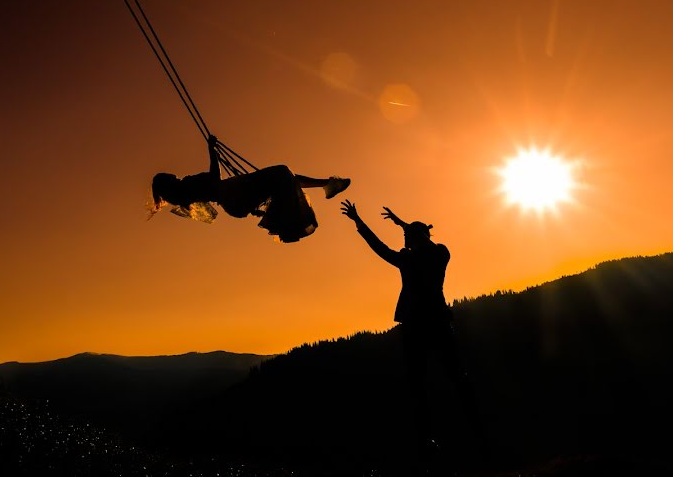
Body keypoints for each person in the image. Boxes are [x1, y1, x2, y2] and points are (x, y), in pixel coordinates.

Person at [340, 199, 480, 457]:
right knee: (457, 375)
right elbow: (423, 238)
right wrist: (402, 223)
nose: (403, 238)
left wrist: (359, 221)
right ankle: (478, 429)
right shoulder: (441, 253)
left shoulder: (407, 260)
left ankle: (427, 442)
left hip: (415, 325)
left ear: (413, 238)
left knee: (418, 384)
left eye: (406, 235)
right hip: (438, 320)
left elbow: (379, 248)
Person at [150, 135, 350, 242]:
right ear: (166, 182)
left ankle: (327, 184)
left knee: (285, 178)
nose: (172, 174)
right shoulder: (186, 187)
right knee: (281, 172)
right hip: (231, 192)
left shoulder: (183, 192)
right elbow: (214, 178)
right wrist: (211, 150)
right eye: (168, 176)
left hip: (233, 198)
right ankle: (291, 220)